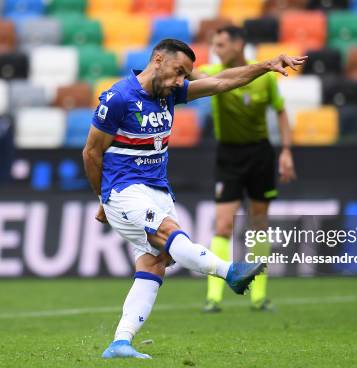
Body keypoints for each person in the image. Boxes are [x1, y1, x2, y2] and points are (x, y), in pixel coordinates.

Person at [83, 38, 306, 359]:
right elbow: (91, 152)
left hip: (157, 190)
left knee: (156, 262)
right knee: (169, 232)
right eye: (178, 71)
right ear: (158, 59)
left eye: (185, 75)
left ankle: (120, 342)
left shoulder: (170, 93)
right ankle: (229, 271)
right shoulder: (118, 98)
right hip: (124, 190)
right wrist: (103, 199)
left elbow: (220, 82)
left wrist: (265, 66)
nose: (180, 81)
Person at [194, 26, 297, 313]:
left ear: (239, 44)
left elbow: (281, 110)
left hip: (260, 153)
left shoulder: (264, 79)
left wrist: (286, 150)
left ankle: (258, 296)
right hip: (228, 155)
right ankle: (214, 297)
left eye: (222, 43)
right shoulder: (212, 71)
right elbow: (193, 75)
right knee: (223, 225)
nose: (216, 49)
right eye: (214, 44)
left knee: (259, 224)